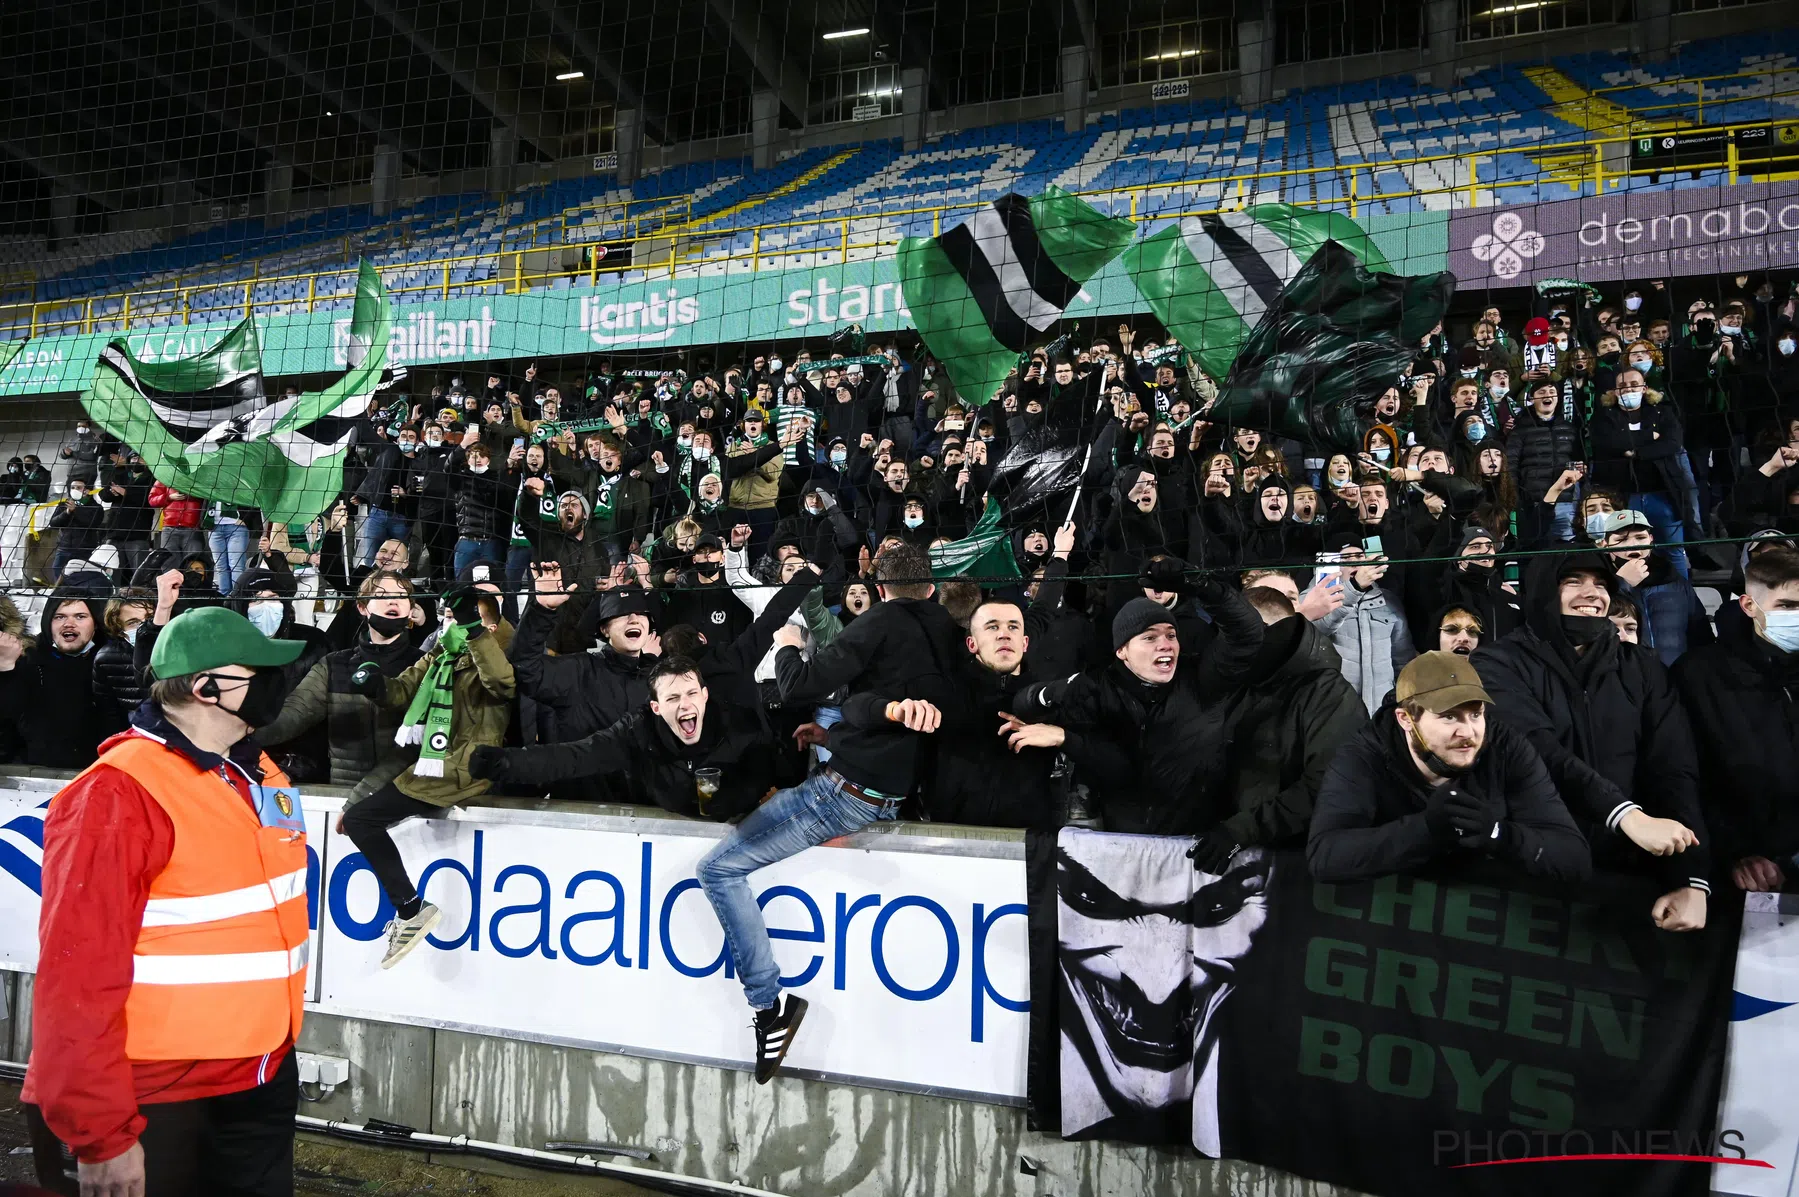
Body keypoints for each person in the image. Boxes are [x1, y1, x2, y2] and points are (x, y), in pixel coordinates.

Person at [23, 606, 310, 1197]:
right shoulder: (116, 793)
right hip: (159, 1098)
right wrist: (101, 1133)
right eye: (257, 671)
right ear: (207, 688)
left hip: (260, 1077)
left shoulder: (257, 775)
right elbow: (77, 977)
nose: (275, 684)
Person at [696, 544, 965, 1082]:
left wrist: (790, 644)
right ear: (931, 589)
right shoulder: (948, 631)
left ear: (882, 590)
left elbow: (800, 685)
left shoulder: (881, 622)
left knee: (716, 869)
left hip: (842, 796)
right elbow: (887, 711)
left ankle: (768, 1005)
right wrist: (834, 734)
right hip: (884, 787)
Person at [1473, 553, 1710, 929]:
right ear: (1543, 591)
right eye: (1573, 581)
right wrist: (1627, 816)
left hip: (1631, 871)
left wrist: (1690, 878)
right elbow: (1538, 753)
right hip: (1530, 874)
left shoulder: (1643, 666)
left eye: (1601, 583)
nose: (1593, 593)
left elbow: (1673, 768)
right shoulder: (1496, 663)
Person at [1007, 557, 1264, 835]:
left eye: (1171, 635)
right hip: (1125, 843)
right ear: (1122, 652)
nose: (1165, 644)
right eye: (1150, 637)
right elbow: (1026, 702)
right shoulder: (1097, 688)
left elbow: (1247, 633)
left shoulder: (1202, 680)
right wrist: (1049, 703)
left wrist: (1201, 584)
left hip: (1195, 841)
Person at [343, 585, 516, 968]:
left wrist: (472, 629)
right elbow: (402, 691)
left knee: (359, 819)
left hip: (470, 766)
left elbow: (501, 683)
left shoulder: (502, 648)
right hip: (437, 762)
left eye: (474, 611)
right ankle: (410, 909)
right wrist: (374, 684)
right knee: (359, 819)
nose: (458, 620)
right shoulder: (443, 652)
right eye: (455, 614)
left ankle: (410, 910)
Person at [1307, 651, 1591, 882]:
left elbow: (1574, 858)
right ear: (1406, 719)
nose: (1468, 732)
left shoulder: (1507, 748)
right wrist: (1425, 830)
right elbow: (1326, 857)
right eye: (1449, 717)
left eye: (1476, 714)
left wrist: (1500, 835)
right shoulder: (1363, 755)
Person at [469, 653, 779, 820]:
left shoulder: (739, 725)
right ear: (656, 707)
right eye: (672, 699)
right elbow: (574, 757)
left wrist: (739, 801)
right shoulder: (637, 732)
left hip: (733, 829)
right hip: (658, 835)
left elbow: (769, 770)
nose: (685, 704)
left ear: (705, 696)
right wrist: (504, 763)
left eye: (691, 694)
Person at [1203, 586, 1367, 867]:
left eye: (1237, 634)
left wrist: (1244, 829)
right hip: (1224, 849)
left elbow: (1330, 784)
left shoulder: (1329, 695)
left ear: (1264, 632)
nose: (1227, 645)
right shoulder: (1236, 680)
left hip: (1294, 866)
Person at [1674, 545, 1799, 892]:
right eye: (1788, 606)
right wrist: (1734, 852)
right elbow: (1684, 777)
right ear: (1749, 606)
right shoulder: (1698, 675)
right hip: (1749, 872)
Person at [256, 571, 426, 803]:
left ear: (410, 609)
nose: (393, 601)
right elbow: (290, 717)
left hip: (405, 799)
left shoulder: (426, 666)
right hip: (341, 797)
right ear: (362, 607)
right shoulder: (335, 665)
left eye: (401, 595)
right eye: (382, 594)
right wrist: (238, 728)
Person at [0, 589, 111, 768]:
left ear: (95, 624)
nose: (69, 624)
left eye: (80, 616)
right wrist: (6, 670)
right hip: (35, 777)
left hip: (99, 772)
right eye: (59, 617)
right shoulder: (27, 662)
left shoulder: (111, 662)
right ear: (48, 623)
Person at [1599, 508, 1712, 667]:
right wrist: (1622, 582)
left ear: (1651, 540)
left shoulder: (1674, 580)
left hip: (1676, 675)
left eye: (1640, 537)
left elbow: (1700, 633)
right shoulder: (1598, 583)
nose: (1632, 545)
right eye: (1621, 539)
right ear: (1604, 545)